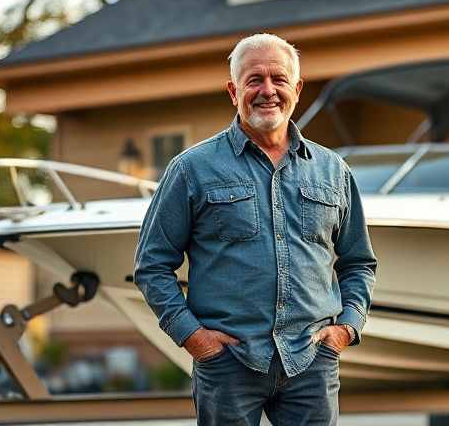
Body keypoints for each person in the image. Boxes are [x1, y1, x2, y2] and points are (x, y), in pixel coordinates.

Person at [133, 33, 377, 425]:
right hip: (227, 364)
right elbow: (152, 266)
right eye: (254, 80)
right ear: (233, 91)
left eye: (279, 79)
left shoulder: (333, 170)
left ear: (297, 89)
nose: (268, 91)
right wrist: (196, 340)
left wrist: (346, 328)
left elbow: (358, 262)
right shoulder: (191, 169)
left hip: (311, 364)